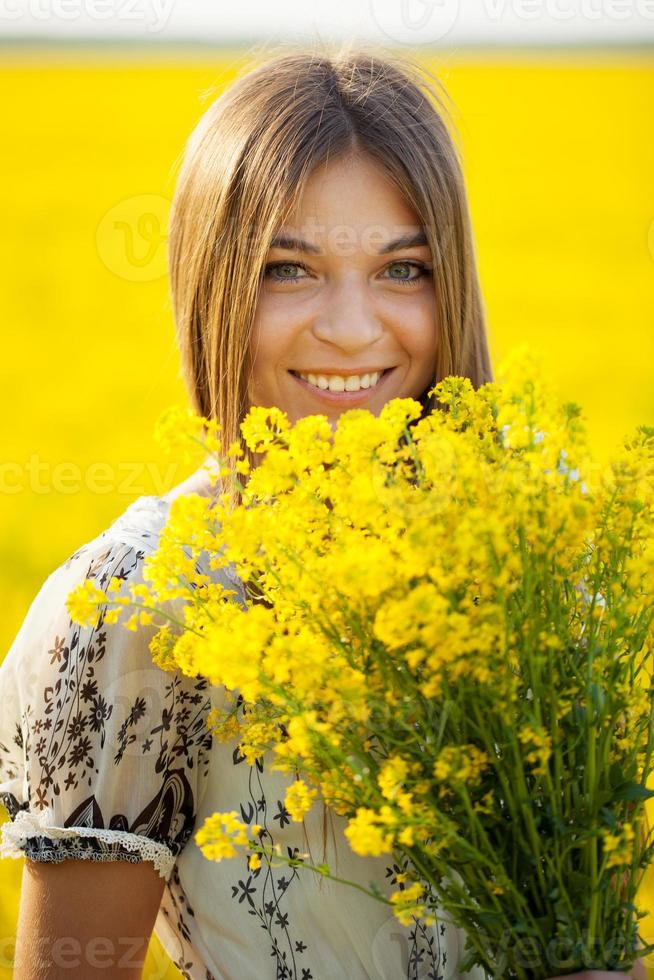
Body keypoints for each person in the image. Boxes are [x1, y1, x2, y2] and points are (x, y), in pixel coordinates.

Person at [0, 41, 646, 980]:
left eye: (404, 269)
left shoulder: (540, 568)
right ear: (212, 289)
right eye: (287, 270)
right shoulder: (135, 611)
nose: (351, 328)